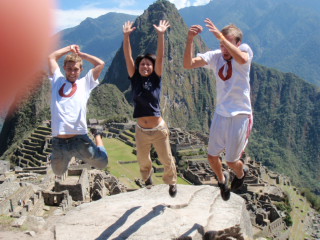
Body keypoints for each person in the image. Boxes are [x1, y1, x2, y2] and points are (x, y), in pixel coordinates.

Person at [183, 18, 253, 201]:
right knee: (212, 157)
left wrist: (222, 37)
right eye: (222, 44)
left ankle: (240, 173)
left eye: (229, 43)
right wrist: (190, 38)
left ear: (238, 43)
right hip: (221, 113)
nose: (224, 48)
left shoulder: (245, 51)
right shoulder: (216, 56)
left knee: (231, 161)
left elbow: (242, 58)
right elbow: (188, 64)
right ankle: (222, 180)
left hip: (240, 114)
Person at [123, 20, 178, 197]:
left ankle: (171, 182)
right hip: (141, 130)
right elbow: (128, 57)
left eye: (148, 64)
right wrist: (126, 37)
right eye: (142, 64)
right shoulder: (135, 78)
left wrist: (161, 35)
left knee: (166, 159)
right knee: (142, 160)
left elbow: (161, 57)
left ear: (153, 67)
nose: (145, 66)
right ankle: (147, 178)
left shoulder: (156, 78)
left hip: (158, 129)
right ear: (138, 67)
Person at [48, 44, 108, 176]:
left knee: (103, 162)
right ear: (64, 68)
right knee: (58, 172)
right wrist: (69, 48)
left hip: (80, 139)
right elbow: (51, 57)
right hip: (59, 140)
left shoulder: (85, 83)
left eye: (76, 69)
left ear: (81, 70)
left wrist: (82, 56)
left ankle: (98, 136)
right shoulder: (57, 80)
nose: (72, 72)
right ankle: (60, 157)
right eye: (69, 69)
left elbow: (100, 64)